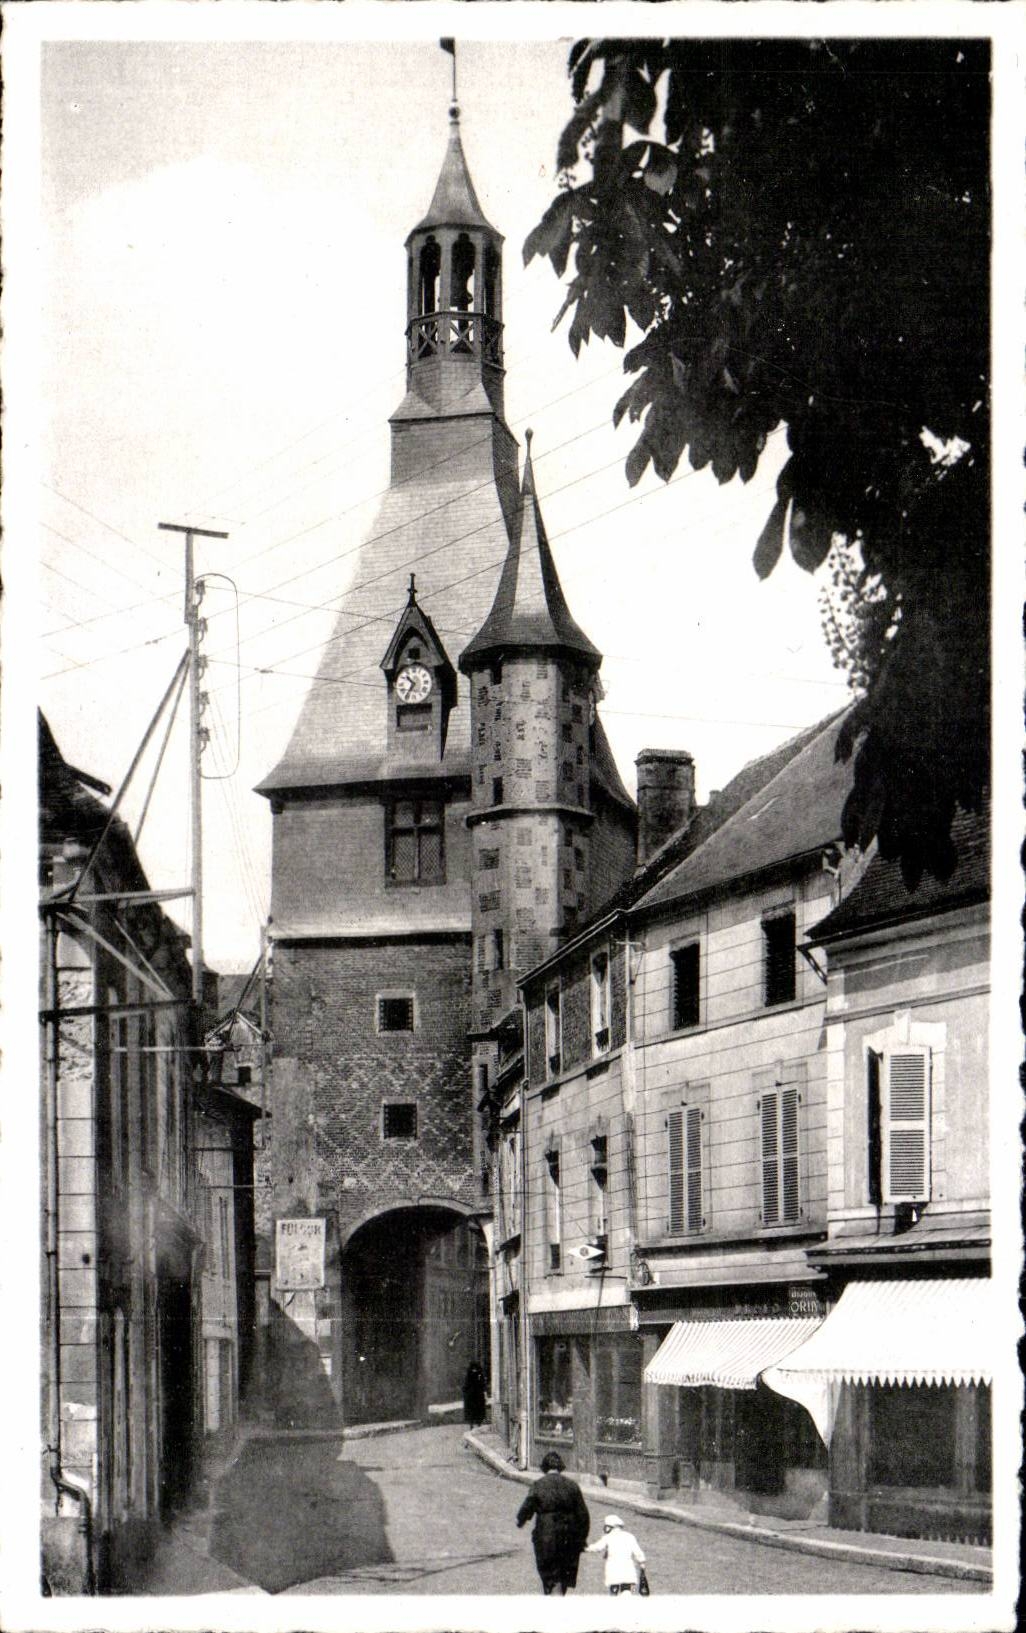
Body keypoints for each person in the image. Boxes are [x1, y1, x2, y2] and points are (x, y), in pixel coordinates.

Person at [515, 1451, 591, 1594]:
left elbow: (528, 1506)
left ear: (544, 1467)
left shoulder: (539, 1485)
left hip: (546, 1536)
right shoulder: (572, 1486)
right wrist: (581, 1539)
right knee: (563, 1576)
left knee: (550, 1577)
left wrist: (520, 1520)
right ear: (560, 1467)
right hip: (569, 1538)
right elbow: (583, 1516)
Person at [585, 1513, 646, 1595]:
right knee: (630, 1593)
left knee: (614, 1594)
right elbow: (637, 1551)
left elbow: (597, 1547)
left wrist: (584, 1548)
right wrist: (642, 1562)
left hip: (613, 1571)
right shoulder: (630, 1536)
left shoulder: (608, 1537)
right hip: (629, 1571)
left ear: (610, 1527)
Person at [462, 1361, 487, 1429]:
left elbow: (465, 1386)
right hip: (474, 1396)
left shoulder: (473, 1374)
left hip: (475, 1396)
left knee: (475, 1410)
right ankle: (474, 1423)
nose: (474, 1370)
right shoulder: (477, 1374)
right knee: (475, 1410)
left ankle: (475, 1423)